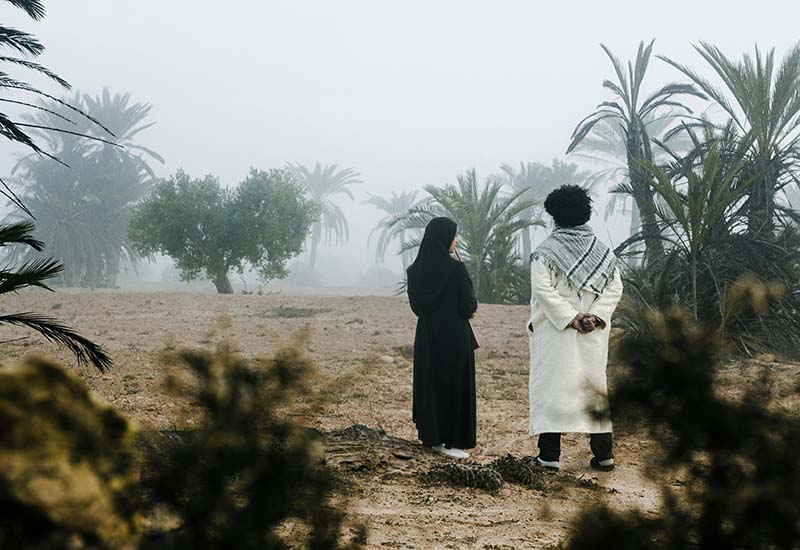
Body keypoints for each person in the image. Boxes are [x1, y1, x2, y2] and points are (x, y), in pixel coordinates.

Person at [527, 185, 623, 471]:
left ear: (554, 216)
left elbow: (542, 289)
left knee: (552, 388)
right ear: (586, 214)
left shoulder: (545, 252)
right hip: (592, 334)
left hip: (557, 333)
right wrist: (594, 316)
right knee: (593, 390)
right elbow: (615, 287)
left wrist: (571, 318)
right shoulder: (603, 253)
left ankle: (549, 456)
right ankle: (604, 455)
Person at [407, 217, 478, 459]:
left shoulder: (414, 270)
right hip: (455, 335)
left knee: (431, 383)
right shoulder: (456, 269)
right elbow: (468, 305)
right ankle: (451, 443)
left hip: (427, 336)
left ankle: (432, 438)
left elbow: (416, 307)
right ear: (443, 238)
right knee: (454, 385)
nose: (456, 240)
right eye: (454, 235)